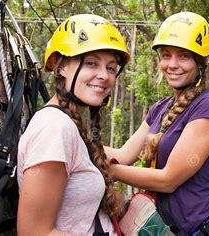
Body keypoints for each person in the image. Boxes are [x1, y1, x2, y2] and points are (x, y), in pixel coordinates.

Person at [106, 12, 209, 235]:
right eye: (166, 55)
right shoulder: (161, 107)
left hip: (196, 229)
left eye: (183, 56)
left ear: (200, 63)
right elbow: (124, 153)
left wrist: (109, 170)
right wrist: (79, 142)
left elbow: (168, 180)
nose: (172, 64)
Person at [17, 14, 130, 235]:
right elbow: (34, 232)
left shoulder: (69, 124)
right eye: (91, 63)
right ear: (61, 67)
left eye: (111, 67)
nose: (104, 76)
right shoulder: (54, 128)